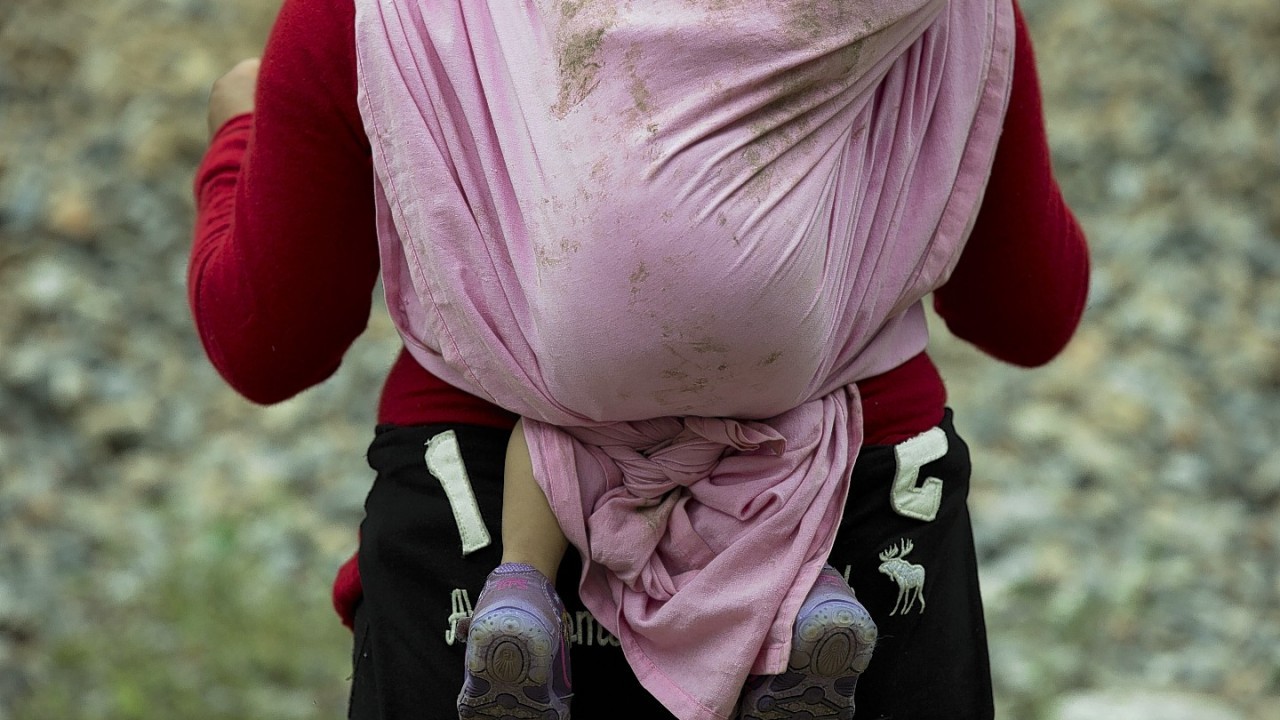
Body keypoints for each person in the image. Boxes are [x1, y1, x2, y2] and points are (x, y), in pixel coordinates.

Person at [190, 0, 1089, 718]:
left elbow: (268, 342)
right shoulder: (937, 17)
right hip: (864, 513)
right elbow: (1030, 313)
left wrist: (240, 132)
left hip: (478, 523)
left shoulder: (371, 16)